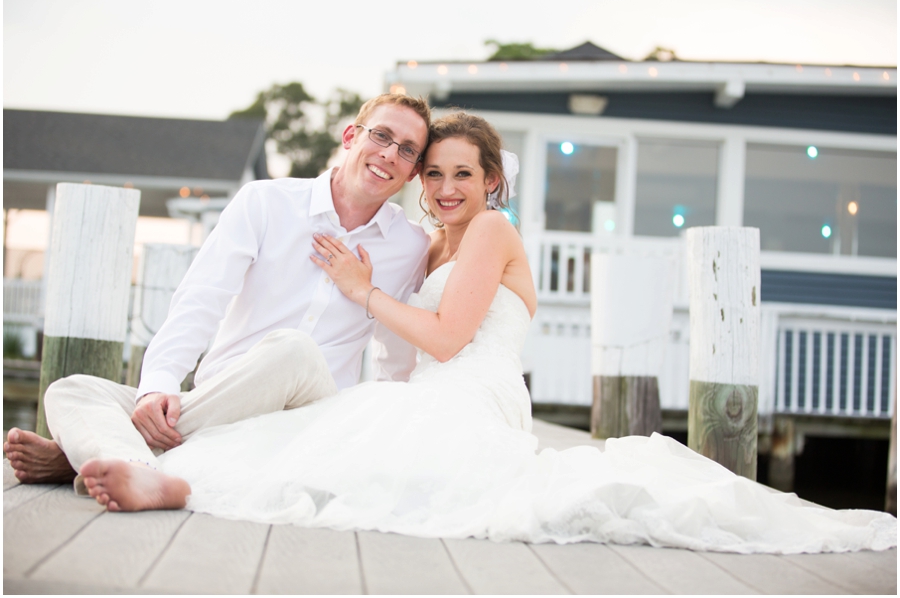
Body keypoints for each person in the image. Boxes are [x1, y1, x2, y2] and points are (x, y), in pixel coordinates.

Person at [76, 112, 895, 554]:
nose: (439, 184)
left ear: (491, 181)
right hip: (406, 391)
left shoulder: (493, 233)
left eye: (458, 172)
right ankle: (116, 447)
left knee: (343, 472)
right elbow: (402, 349)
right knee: (100, 396)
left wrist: (360, 292)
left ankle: (161, 475)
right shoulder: (422, 242)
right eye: (432, 172)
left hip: (469, 392)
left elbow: (439, 338)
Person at [4, 94, 432, 493]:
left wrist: (385, 430)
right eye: (381, 136)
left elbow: (394, 352)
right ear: (351, 136)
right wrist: (156, 387)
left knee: (295, 350)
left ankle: (88, 455)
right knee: (72, 389)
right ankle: (138, 470)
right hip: (216, 397)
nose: (390, 154)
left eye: (408, 149)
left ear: (412, 171)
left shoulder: (409, 246)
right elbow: (201, 297)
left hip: (311, 412)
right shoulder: (266, 202)